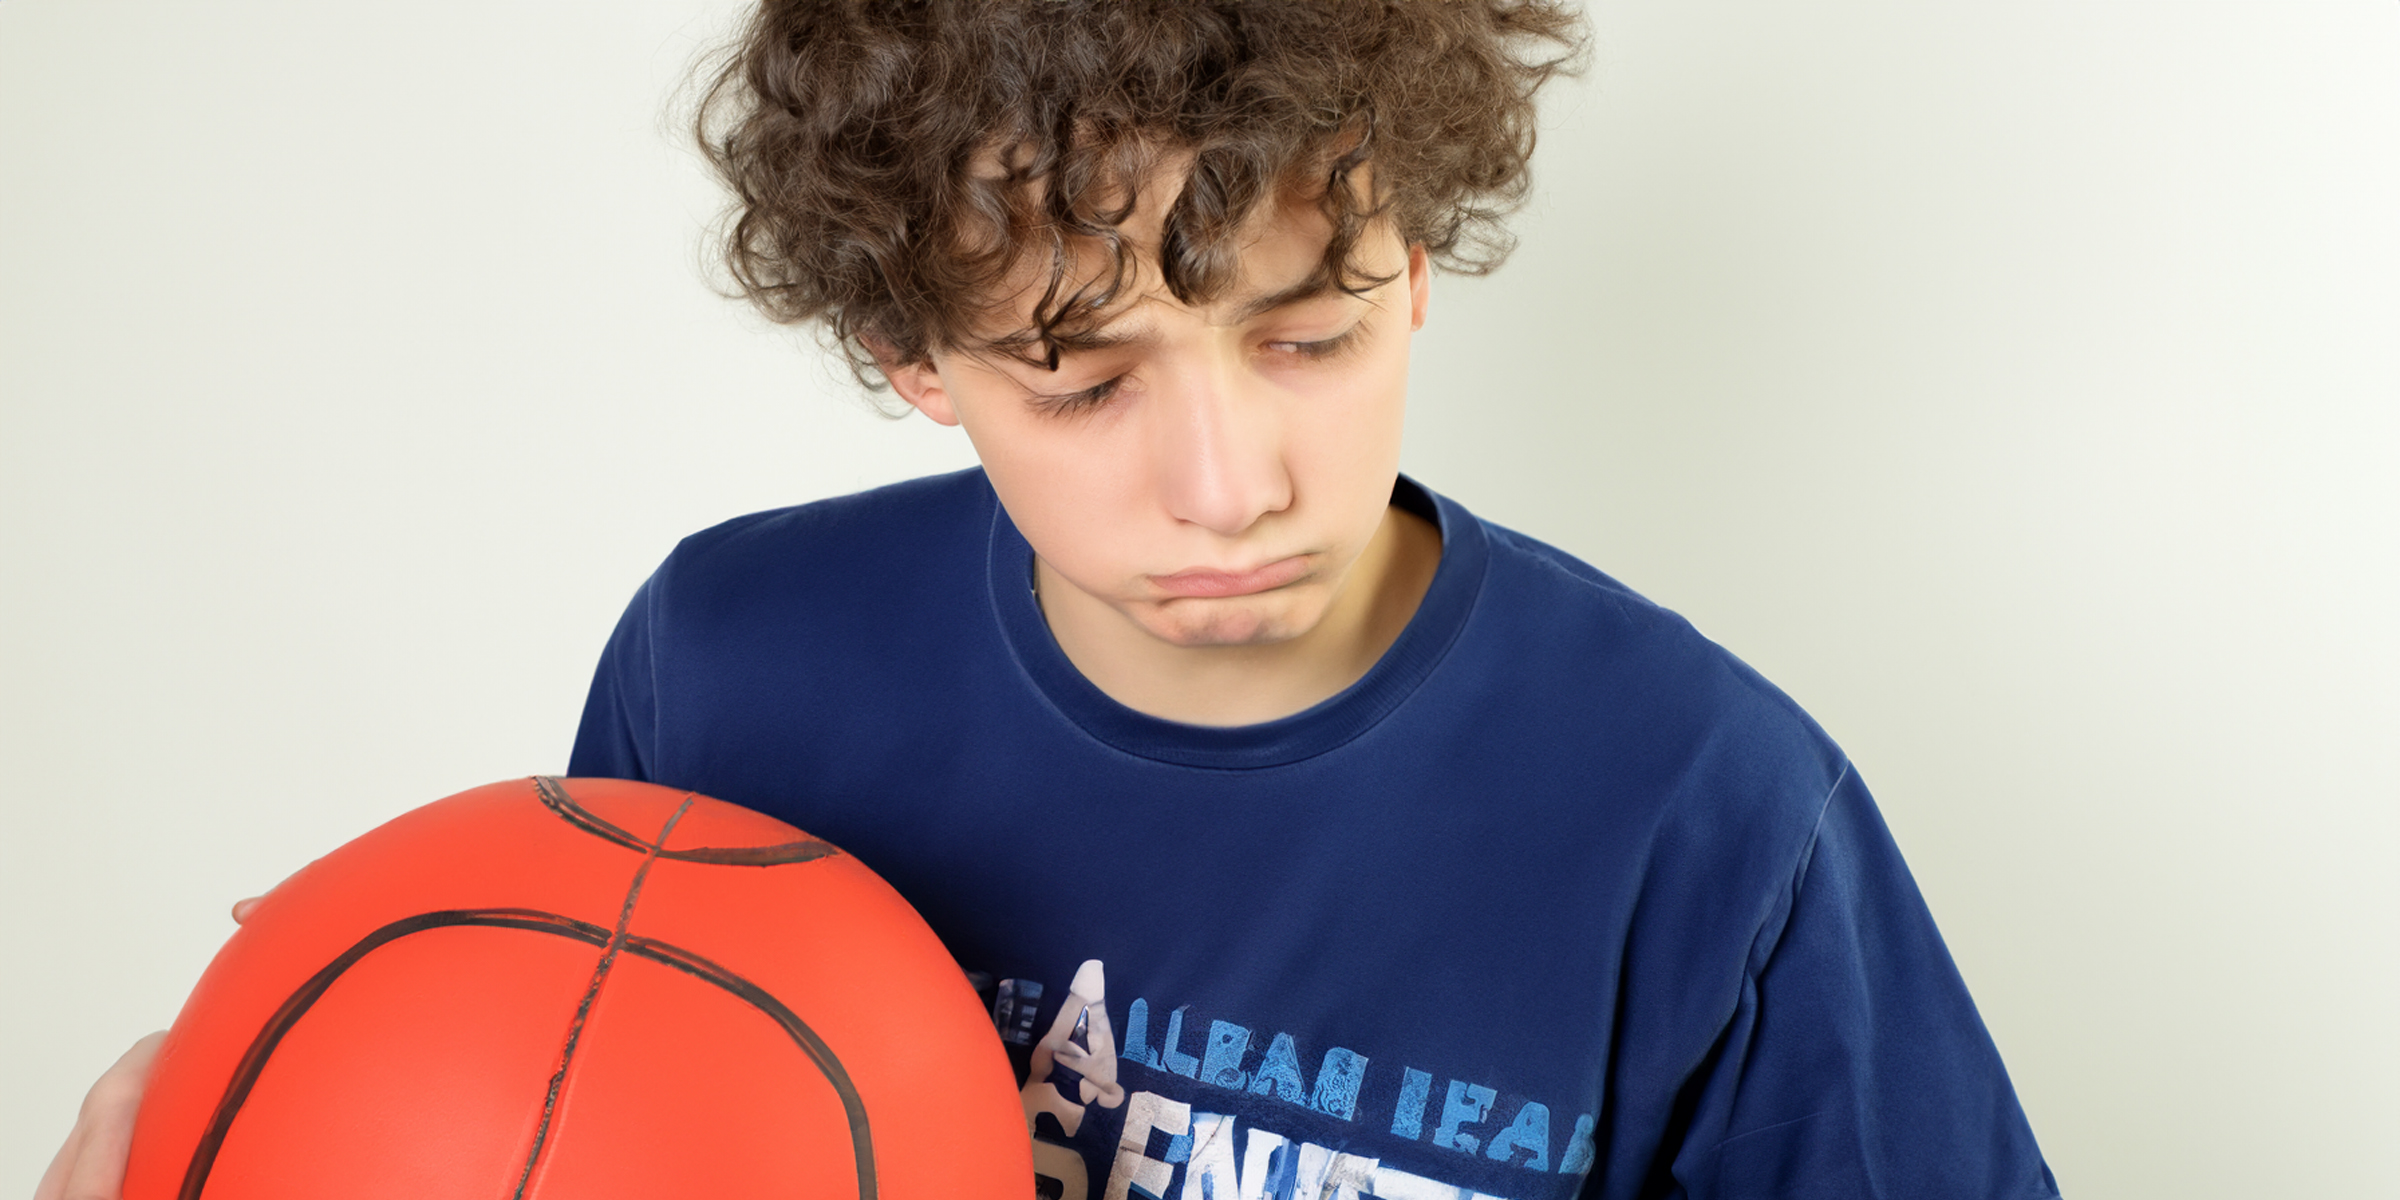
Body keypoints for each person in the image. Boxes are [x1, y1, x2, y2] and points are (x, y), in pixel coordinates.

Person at [42, 3, 2060, 1198]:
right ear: (916, 359)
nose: (1228, 486)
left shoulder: (1706, 811)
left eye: (1312, 338)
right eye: (1079, 382)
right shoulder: (734, 668)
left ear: (1421, 264)